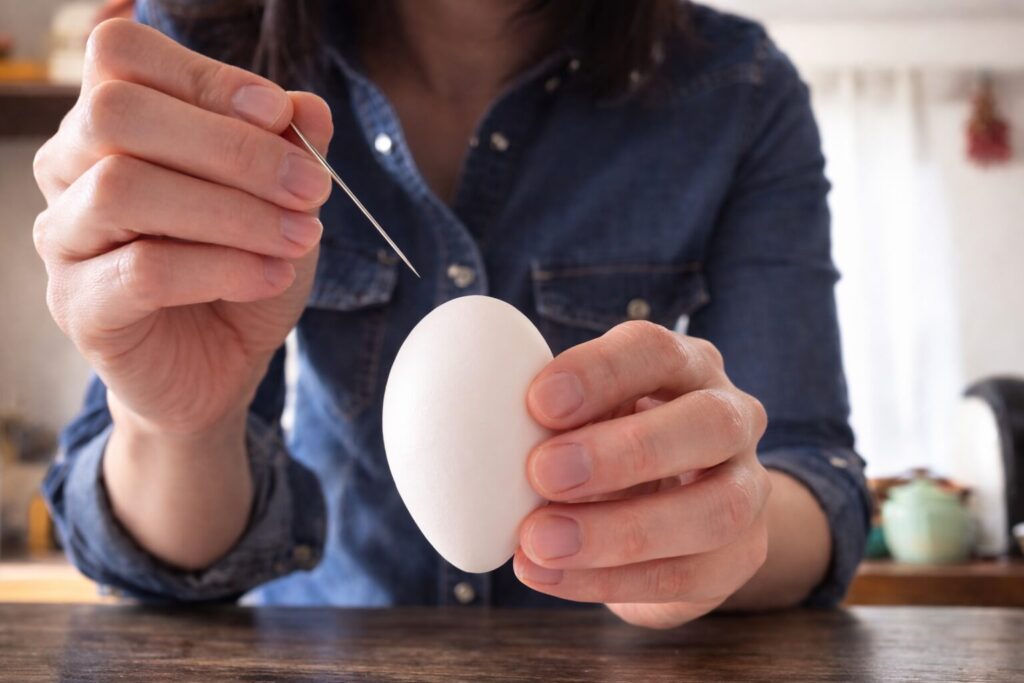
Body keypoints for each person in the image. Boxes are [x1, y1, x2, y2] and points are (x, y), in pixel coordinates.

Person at [34, 0, 870, 629]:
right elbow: (146, 567)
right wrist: (180, 424)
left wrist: (715, 533)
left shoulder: (739, 89)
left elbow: (814, 476)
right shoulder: (211, 47)